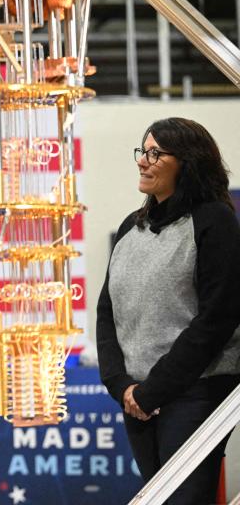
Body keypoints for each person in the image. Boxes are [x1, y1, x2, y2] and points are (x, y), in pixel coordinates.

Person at [97, 117, 240, 503]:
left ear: (187, 162)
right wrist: (121, 386)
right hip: (138, 398)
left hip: (195, 393)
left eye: (155, 153)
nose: (143, 161)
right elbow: (107, 313)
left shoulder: (215, 222)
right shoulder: (132, 226)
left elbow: (216, 320)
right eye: (143, 152)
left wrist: (152, 391)